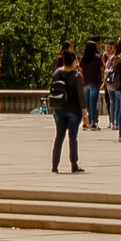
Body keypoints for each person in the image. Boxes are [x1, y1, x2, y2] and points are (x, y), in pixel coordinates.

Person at [47, 46, 86, 174]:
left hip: (58, 109)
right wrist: (85, 111)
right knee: (72, 137)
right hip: (73, 109)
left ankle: (54, 164)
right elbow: (81, 95)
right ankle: (74, 163)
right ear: (74, 60)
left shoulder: (57, 73)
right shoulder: (77, 76)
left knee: (59, 136)